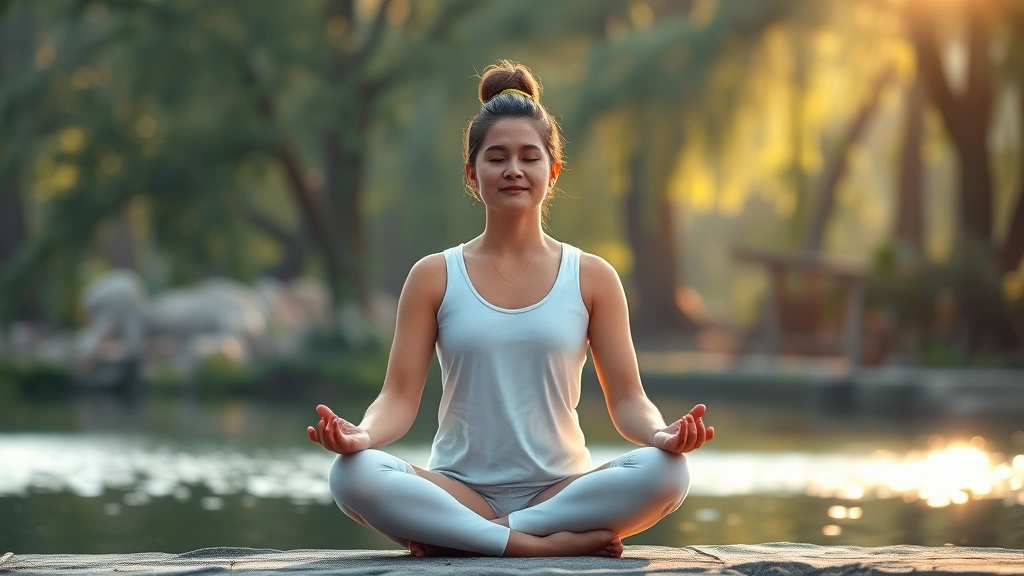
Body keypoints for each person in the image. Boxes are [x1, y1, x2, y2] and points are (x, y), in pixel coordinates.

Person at [306, 60, 714, 559]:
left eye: (529, 157)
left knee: (668, 471)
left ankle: (466, 537)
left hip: (562, 492)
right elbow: (398, 398)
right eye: (496, 157)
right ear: (472, 173)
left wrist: (661, 433)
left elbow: (628, 399)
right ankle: (535, 546)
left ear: (553, 169)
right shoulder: (434, 275)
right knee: (353, 473)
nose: (514, 170)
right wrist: (362, 434)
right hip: (458, 490)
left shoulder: (593, 277)